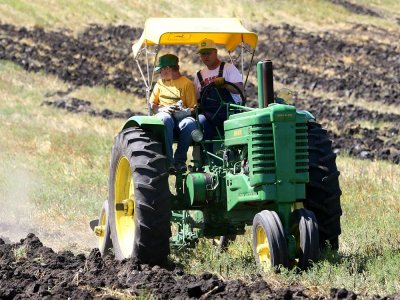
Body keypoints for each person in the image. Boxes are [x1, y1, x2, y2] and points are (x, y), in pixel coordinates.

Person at [150, 54, 197, 173]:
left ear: (168, 68)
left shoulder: (187, 84)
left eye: (161, 70)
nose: (160, 73)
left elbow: (193, 108)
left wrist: (182, 112)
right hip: (164, 117)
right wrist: (162, 109)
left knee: (190, 123)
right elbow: (152, 105)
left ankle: (179, 162)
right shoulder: (160, 83)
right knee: (166, 118)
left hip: (180, 119)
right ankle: (168, 161)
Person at [193, 38, 244, 143]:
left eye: (208, 53)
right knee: (200, 122)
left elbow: (240, 89)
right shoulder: (199, 76)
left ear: (215, 52)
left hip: (229, 112)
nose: (205, 56)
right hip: (209, 115)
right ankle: (206, 156)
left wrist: (225, 84)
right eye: (202, 54)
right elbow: (196, 98)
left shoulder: (229, 68)